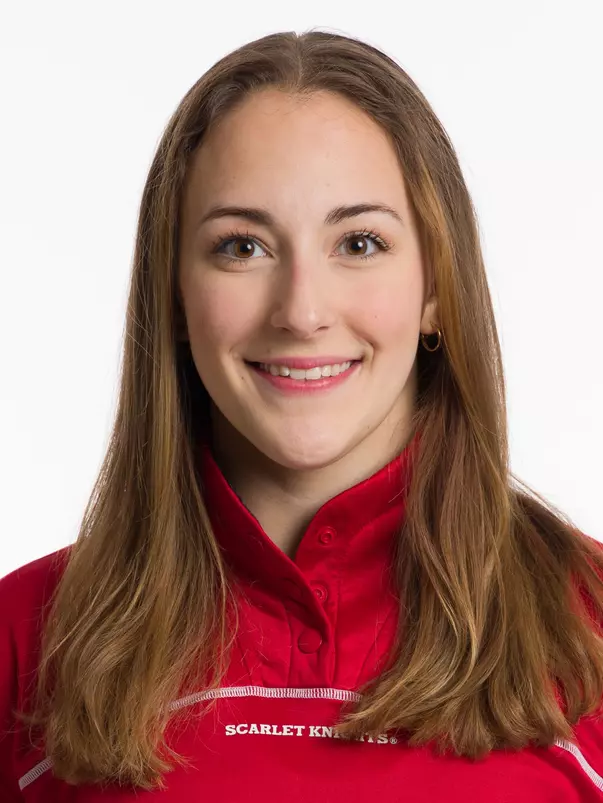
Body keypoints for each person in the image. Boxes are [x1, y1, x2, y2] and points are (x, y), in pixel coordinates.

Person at [1, 29, 603, 802]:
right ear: (175, 295)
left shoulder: (587, 624)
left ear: (434, 290)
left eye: (358, 241)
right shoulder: (27, 641)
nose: (302, 310)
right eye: (242, 247)